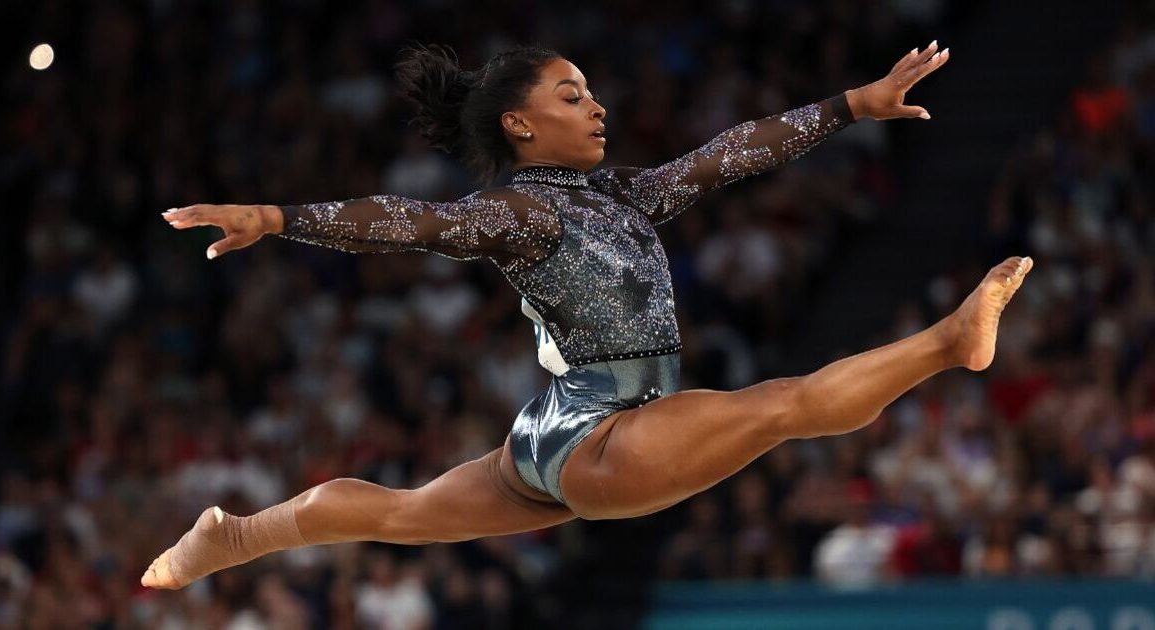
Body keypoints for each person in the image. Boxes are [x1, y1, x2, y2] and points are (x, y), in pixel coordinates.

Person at [143, 39, 1032, 590]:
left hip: (558, 433)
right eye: (570, 96)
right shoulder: (518, 211)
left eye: (591, 91)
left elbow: (727, 156)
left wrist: (850, 105)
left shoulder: (621, 195)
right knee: (782, 406)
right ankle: (948, 343)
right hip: (599, 433)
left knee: (401, 512)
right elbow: (418, 222)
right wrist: (282, 218)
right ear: (520, 127)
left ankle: (234, 536)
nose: (596, 104)